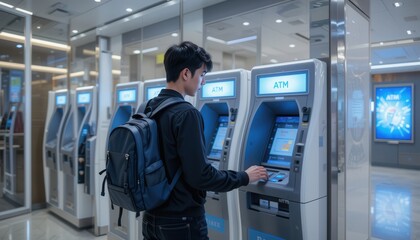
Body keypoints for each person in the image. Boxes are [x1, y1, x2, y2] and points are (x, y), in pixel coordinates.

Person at [142, 41, 268, 240]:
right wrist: (244, 177)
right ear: (186, 74)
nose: (203, 82)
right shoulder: (186, 114)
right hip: (181, 221)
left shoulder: (148, 108)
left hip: (151, 217)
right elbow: (200, 176)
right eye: (202, 75)